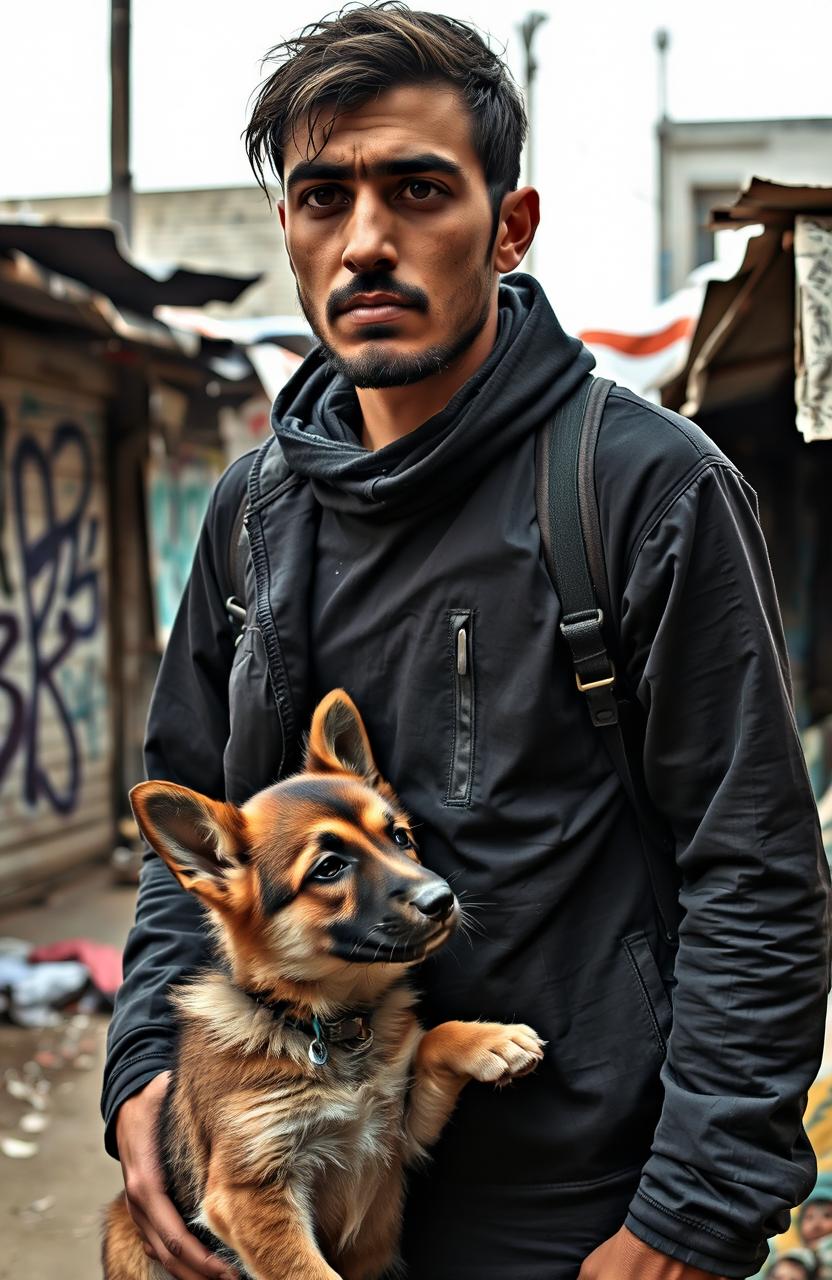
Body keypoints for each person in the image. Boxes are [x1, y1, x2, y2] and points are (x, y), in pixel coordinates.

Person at [101, 5, 832, 1279]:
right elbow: (193, 844)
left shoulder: (642, 488)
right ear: (288, 228)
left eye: (418, 190)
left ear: (509, 224)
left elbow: (757, 872)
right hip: (304, 1189)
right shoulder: (254, 508)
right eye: (323, 196)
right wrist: (140, 1087)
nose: (366, 240)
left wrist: (688, 1218)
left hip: (573, 1205)